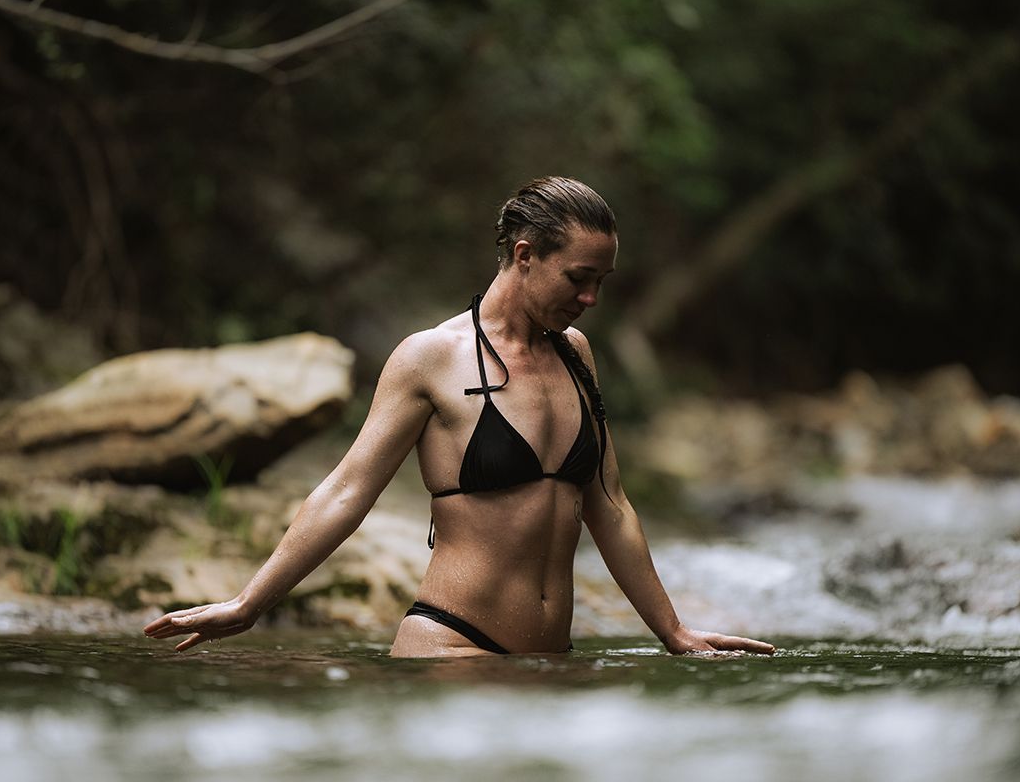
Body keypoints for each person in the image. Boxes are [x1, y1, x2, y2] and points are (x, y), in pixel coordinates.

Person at [143, 177, 775, 658]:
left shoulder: (577, 355)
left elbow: (609, 506)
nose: (591, 300)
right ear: (524, 256)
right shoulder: (430, 359)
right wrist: (250, 603)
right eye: (579, 278)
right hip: (452, 646)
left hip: (550, 662)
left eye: (602, 283)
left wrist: (674, 631)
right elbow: (347, 489)